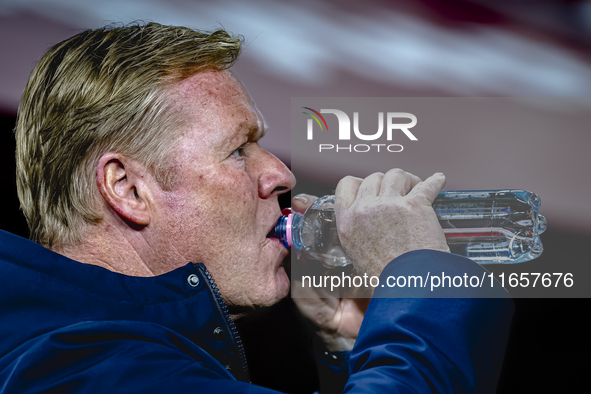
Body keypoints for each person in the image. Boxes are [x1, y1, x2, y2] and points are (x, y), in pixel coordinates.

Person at [0, 22, 513, 393]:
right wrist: (423, 282)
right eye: (238, 150)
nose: (281, 175)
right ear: (129, 189)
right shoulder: (90, 372)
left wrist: (354, 351)